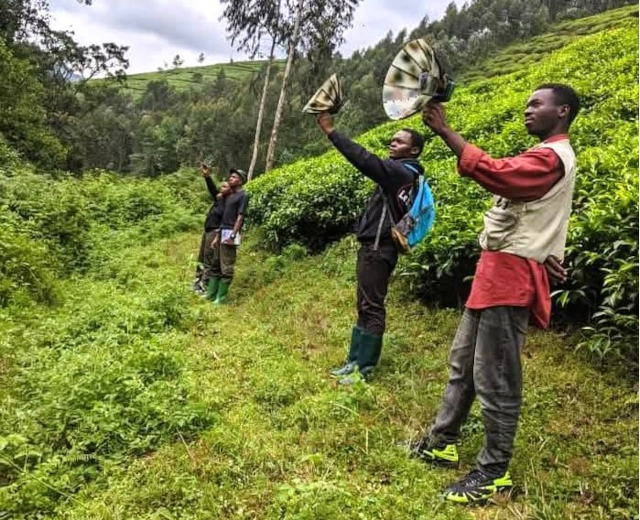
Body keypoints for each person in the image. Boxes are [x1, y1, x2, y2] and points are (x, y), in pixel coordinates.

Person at [411, 84, 580, 504]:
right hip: (495, 272)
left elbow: (500, 174)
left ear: (561, 111)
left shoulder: (550, 156)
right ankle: (442, 440)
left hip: (511, 277)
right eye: (526, 102)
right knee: (464, 364)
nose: (527, 108)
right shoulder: (542, 155)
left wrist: (447, 132)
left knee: (496, 377)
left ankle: (493, 471)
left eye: (536, 103)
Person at [317, 112, 425, 384]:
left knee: (372, 306)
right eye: (392, 140)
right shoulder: (402, 175)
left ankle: (363, 368)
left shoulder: (400, 172)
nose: (392, 143)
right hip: (374, 247)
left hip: (379, 249)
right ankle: (353, 361)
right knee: (365, 304)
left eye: (399, 142)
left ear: (414, 150)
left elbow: (363, 159)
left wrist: (332, 132)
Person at [206, 168, 249, 304]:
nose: (231, 178)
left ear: (241, 181)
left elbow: (240, 217)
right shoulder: (229, 196)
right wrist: (217, 237)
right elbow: (224, 218)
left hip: (230, 233)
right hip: (222, 232)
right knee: (216, 264)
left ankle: (221, 298)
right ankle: (211, 294)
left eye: (234, 177)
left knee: (227, 266)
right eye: (230, 177)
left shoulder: (243, 195)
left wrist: (233, 235)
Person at [193, 163, 229, 295]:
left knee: (209, 257)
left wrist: (218, 234)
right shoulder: (219, 199)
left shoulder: (229, 202)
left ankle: (205, 285)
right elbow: (213, 189)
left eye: (225, 186)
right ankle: (198, 281)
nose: (221, 187)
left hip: (214, 231)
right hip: (207, 230)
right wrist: (207, 176)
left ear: (230, 190)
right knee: (201, 256)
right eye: (222, 185)